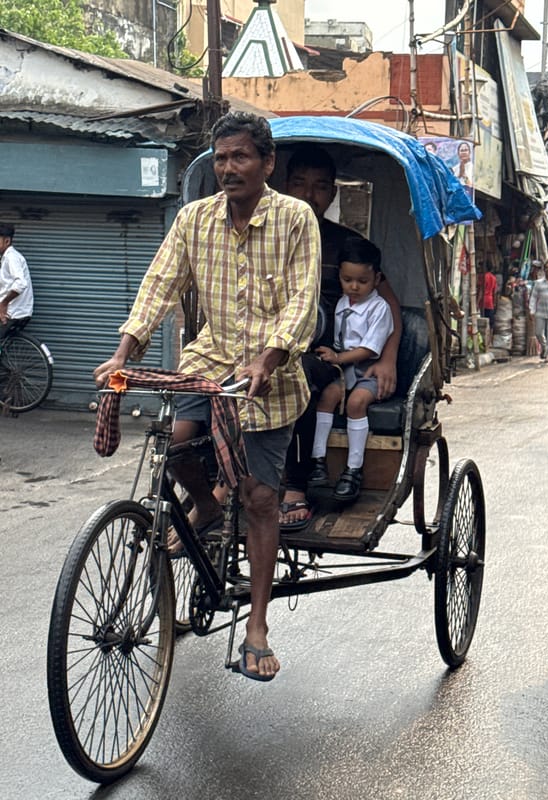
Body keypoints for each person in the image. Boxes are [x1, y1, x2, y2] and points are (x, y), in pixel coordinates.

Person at [94, 111, 321, 681]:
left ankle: (257, 627)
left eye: (240, 157)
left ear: (267, 164)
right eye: (221, 159)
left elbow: (302, 300)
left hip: (271, 377)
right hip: (208, 365)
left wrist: (270, 357)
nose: (228, 168)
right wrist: (125, 354)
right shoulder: (194, 219)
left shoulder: (295, 219)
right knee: (172, 448)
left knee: (261, 497)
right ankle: (207, 503)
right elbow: (158, 284)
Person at [278, 144, 402, 530]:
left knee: (296, 376)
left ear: (331, 193)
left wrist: (388, 358)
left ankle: (295, 488)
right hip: (270, 341)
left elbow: (389, 301)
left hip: (324, 351)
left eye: (319, 187)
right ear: (285, 187)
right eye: (299, 184)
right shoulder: (269, 237)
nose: (308, 195)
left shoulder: (344, 244)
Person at [308, 237, 394, 501]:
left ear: (377, 279)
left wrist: (337, 357)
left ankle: (353, 469)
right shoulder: (343, 304)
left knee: (356, 403)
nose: (354, 287)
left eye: (362, 281)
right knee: (326, 397)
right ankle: (317, 460)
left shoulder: (380, 308)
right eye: (347, 280)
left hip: (368, 371)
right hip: (344, 371)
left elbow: (369, 350)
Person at [0, 223, 34, 338]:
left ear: (7, 241)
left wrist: (4, 303)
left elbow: (20, 283)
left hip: (12, 313)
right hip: (15, 311)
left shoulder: (12, 257)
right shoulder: (7, 258)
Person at [477, 261, 498, 333]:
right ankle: (490, 339)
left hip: (483, 301)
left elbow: (481, 291)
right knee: (490, 323)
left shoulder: (483, 277)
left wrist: (477, 303)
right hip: (490, 301)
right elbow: (495, 292)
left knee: (482, 322)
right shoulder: (494, 278)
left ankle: (484, 338)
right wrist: (494, 303)